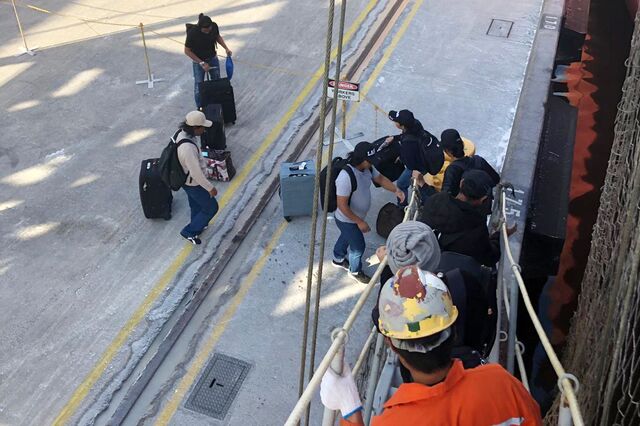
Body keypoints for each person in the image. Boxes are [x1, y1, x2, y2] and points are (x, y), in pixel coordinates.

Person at [320, 265, 542, 425]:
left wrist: (350, 410)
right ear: (454, 331)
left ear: (391, 344)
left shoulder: (396, 421)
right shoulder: (501, 382)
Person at [373, 221, 496, 358]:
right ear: (435, 253)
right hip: (461, 358)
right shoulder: (463, 280)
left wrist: (386, 270)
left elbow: (378, 317)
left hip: (415, 368)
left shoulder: (391, 296)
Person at [332, 142, 405, 283]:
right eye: (370, 161)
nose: (372, 163)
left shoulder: (367, 168)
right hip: (347, 219)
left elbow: (380, 179)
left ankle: (338, 257)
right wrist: (359, 222)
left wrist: (396, 190)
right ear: (361, 160)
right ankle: (355, 271)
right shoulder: (345, 178)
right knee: (358, 246)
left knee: (347, 237)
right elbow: (342, 205)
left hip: (356, 217)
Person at [420, 169, 512, 267]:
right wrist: (500, 235)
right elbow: (490, 259)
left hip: (424, 260)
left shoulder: (435, 200)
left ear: (461, 183)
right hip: (450, 271)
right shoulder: (477, 229)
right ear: (483, 199)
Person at [177, 111, 219, 245]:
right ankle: (189, 231)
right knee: (212, 207)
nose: (204, 130)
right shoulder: (187, 149)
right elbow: (196, 173)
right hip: (193, 183)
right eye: (203, 127)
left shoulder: (181, 134)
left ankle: (198, 224)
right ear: (195, 127)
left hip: (185, 179)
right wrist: (210, 188)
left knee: (195, 204)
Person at [386, 109, 443, 204]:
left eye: (396, 121)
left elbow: (410, 164)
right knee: (419, 183)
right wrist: (395, 138)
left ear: (402, 125)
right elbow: (408, 135)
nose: (395, 123)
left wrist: (401, 156)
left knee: (401, 184)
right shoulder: (416, 124)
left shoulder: (408, 143)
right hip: (424, 156)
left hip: (419, 165)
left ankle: (403, 206)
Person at [185, 13, 233, 109]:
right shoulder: (193, 33)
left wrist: (226, 48)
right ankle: (200, 108)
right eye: (205, 30)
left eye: (209, 29)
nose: (207, 32)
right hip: (198, 61)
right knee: (199, 85)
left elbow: (217, 37)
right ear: (200, 28)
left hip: (212, 58)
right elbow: (187, 51)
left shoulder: (214, 27)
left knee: (216, 81)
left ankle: (217, 104)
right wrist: (202, 63)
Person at [440, 128, 500, 197]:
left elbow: (444, 197)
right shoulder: (479, 160)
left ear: (448, 151)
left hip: (464, 207)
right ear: (463, 144)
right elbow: (496, 179)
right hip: (484, 204)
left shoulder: (451, 171)